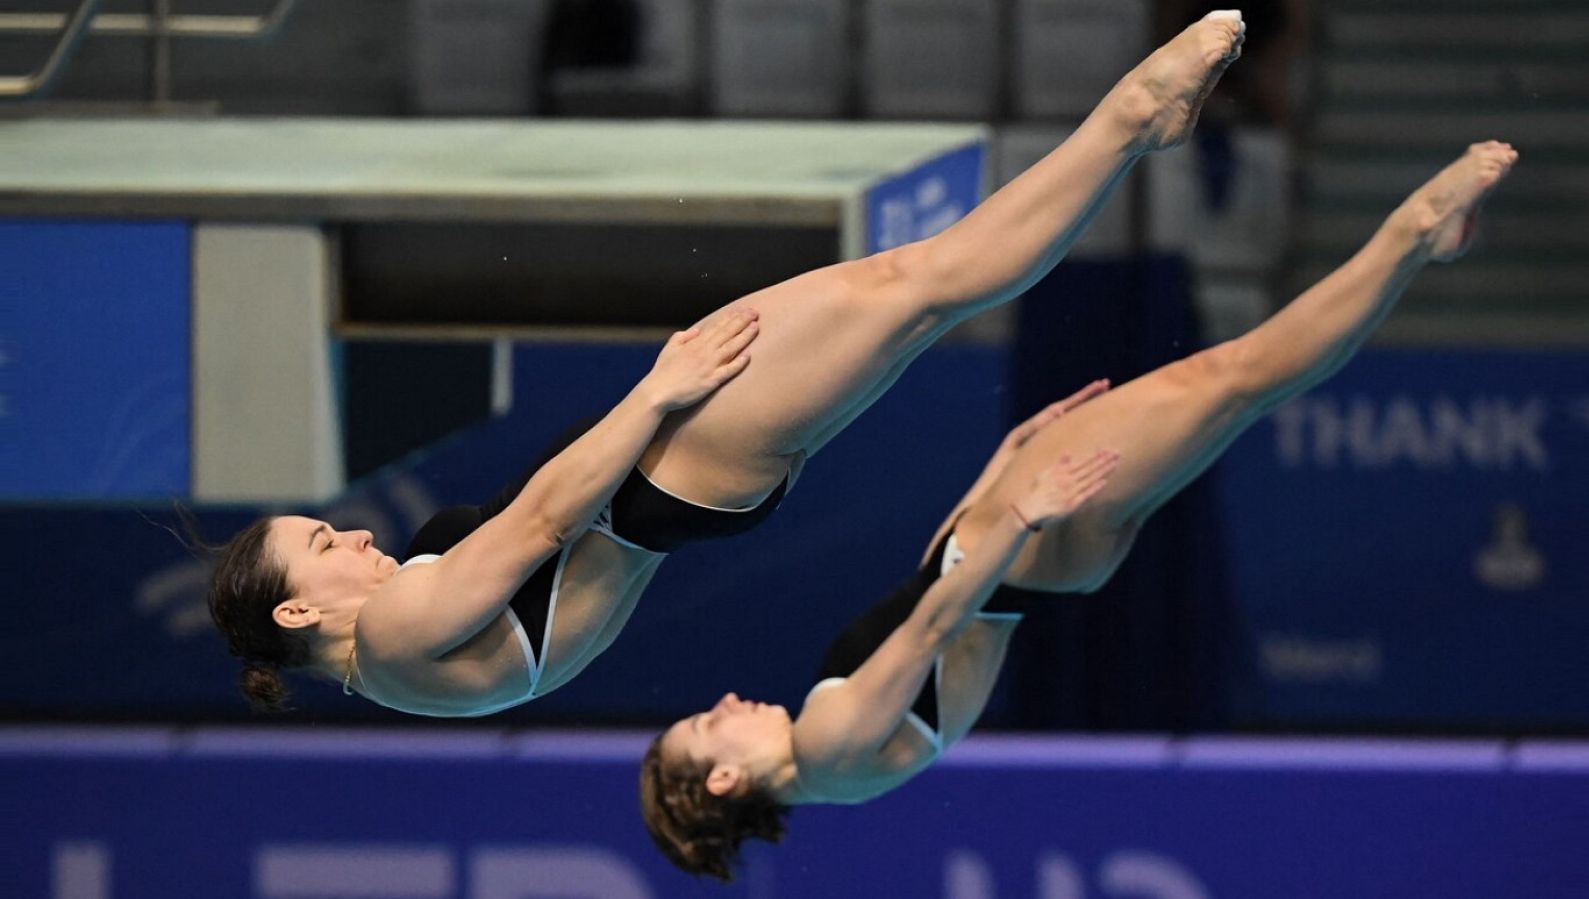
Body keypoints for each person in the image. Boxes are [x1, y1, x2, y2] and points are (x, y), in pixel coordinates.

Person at [206, 11, 1250, 715]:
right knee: (923, 282)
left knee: (923, 296)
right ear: (297, 611)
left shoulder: (399, 675)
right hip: (669, 468)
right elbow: (540, 524)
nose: (353, 532)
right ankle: (1133, 116)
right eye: (322, 542)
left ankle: (1132, 127)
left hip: (683, 493)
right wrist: (656, 392)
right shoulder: (390, 633)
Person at [640, 141, 1519, 880]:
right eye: (708, 725)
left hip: (1026, 553)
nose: (724, 701)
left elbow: (930, 593)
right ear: (723, 779)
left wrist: (1001, 469)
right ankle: (1414, 230)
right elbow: (938, 622)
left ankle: (1418, 245)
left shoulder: (836, 764)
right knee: (1234, 376)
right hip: (1029, 546)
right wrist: (1023, 511)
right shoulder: (827, 744)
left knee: (1241, 390)